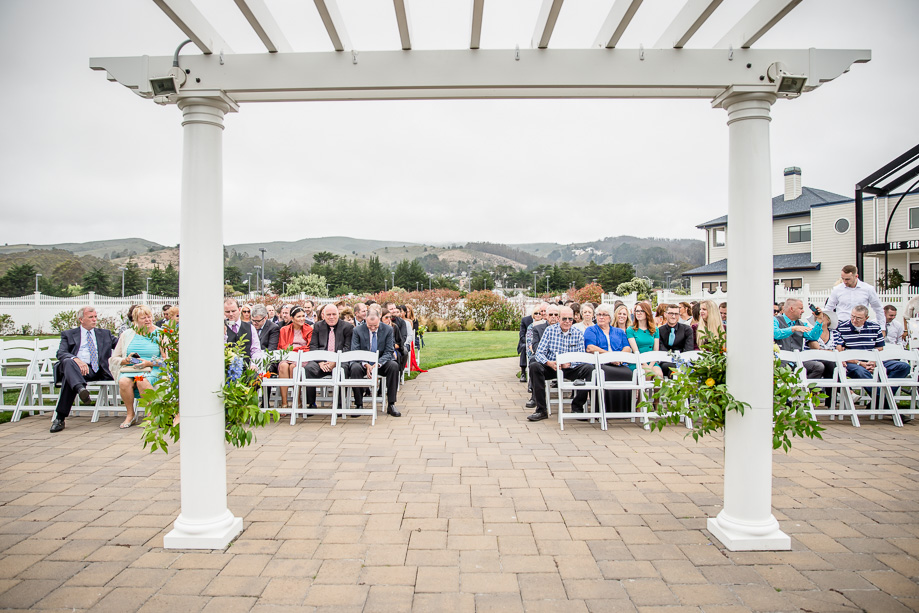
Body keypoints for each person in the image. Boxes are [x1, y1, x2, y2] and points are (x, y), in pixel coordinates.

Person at [50, 306, 118, 433]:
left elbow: (121, 345)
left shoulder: (105, 334)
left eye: (95, 317)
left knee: (68, 377)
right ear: (81, 319)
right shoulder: (69, 334)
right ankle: (80, 389)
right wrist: (77, 359)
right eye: (90, 317)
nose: (94, 320)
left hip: (97, 370)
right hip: (76, 368)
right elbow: (61, 353)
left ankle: (60, 418)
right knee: (68, 362)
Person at [832, 305, 910, 409]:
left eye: (858, 318)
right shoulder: (841, 328)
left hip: (872, 360)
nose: (854, 320)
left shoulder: (874, 327)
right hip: (853, 362)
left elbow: (880, 348)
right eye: (852, 316)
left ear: (866, 318)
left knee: (903, 366)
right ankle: (884, 402)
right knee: (862, 372)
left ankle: (881, 401)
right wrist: (860, 362)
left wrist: (873, 361)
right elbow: (840, 351)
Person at [527, 306, 595, 422]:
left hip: (570, 367)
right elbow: (539, 353)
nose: (567, 322)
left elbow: (581, 356)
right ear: (558, 319)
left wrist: (567, 363)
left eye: (570, 319)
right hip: (552, 366)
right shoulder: (550, 331)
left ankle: (577, 407)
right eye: (564, 319)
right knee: (534, 366)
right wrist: (549, 362)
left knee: (589, 368)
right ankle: (541, 409)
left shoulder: (577, 333)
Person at [110, 305, 164, 429]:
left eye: (149, 317)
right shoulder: (126, 335)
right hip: (130, 370)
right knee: (123, 381)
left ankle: (151, 415)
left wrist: (149, 363)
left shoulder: (160, 334)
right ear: (135, 320)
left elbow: (166, 359)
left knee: (141, 380)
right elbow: (114, 358)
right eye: (143, 318)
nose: (147, 320)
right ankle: (130, 415)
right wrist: (126, 360)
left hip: (151, 369)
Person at [349, 308, 401, 416]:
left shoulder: (388, 330)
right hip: (363, 362)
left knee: (394, 366)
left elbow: (389, 351)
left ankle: (391, 404)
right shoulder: (357, 330)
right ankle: (359, 404)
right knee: (354, 368)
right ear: (365, 321)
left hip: (381, 362)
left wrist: (377, 364)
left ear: (379, 321)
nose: (372, 328)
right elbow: (355, 350)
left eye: (375, 326)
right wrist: (366, 364)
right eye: (369, 326)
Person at [584, 304, 632, 412]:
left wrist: (619, 358)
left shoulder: (619, 331)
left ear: (610, 317)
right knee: (604, 372)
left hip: (619, 363)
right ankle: (604, 409)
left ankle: (624, 409)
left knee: (628, 373)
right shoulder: (591, 330)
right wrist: (610, 357)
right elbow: (590, 347)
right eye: (599, 315)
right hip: (601, 363)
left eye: (604, 315)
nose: (601, 317)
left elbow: (627, 347)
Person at [304, 304, 354, 408]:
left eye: (334, 314)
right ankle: (311, 403)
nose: (331, 317)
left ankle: (339, 405)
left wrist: (335, 362)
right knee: (308, 368)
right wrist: (320, 362)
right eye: (328, 314)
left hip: (339, 361)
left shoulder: (347, 327)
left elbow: (347, 348)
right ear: (323, 316)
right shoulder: (318, 326)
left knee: (341, 370)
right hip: (321, 361)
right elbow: (313, 346)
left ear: (338, 314)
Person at [774, 298, 824, 379]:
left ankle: (803, 389)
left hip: (797, 361)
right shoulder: (776, 320)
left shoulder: (801, 324)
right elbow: (776, 334)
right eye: (800, 308)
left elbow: (813, 336)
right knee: (781, 369)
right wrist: (793, 329)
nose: (803, 311)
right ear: (791, 309)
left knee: (818, 367)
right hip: (781, 360)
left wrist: (819, 320)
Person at [825, 265, 886, 331]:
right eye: (843, 278)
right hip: (841, 325)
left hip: (861, 326)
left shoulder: (868, 289)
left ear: (856, 276)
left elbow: (878, 308)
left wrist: (882, 328)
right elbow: (829, 308)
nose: (845, 281)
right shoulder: (837, 289)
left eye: (847, 279)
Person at [276, 306, 313, 409]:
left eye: (303, 316)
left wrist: (295, 351)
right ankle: (284, 402)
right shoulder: (284, 330)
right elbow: (282, 346)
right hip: (287, 356)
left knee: (293, 367)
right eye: (298, 317)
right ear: (292, 318)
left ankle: (297, 400)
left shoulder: (309, 329)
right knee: (283, 366)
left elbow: (309, 347)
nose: (302, 319)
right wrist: (292, 352)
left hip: (302, 357)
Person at [524, 305, 553, 409]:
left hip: (558, 360)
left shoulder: (563, 328)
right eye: (551, 314)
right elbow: (534, 346)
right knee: (533, 361)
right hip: (541, 356)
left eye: (556, 315)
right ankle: (534, 396)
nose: (553, 316)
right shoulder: (536, 327)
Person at [627, 302, 663, 380]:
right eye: (637, 311)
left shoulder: (655, 329)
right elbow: (636, 351)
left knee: (659, 375)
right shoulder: (630, 330)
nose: (639, 313)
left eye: (642, 311)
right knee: (647, 372)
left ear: (647, 313)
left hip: (652, 361)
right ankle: (643, 392)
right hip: (638, 361)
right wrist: (646, 365)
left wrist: (651, 365)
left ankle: (657, 392)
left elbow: (656, 350)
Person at [658, 304, 694, 377]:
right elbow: (661, 348)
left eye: (676, 314)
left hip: (684, 360)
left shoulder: (687, 329)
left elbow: (688, 348)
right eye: (671, 313)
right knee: (672, 367)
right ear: (665, 314)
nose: (673, 316)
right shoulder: (660, 330)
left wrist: (680, 359)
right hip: (666, 361)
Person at [224, 299, 264, 364]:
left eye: (233, 311)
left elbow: (255, 350)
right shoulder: (221, 329)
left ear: (239, 310)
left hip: (248, 368)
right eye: (227, 312)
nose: (231, 314)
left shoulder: (250, 327)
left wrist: (254, 364)